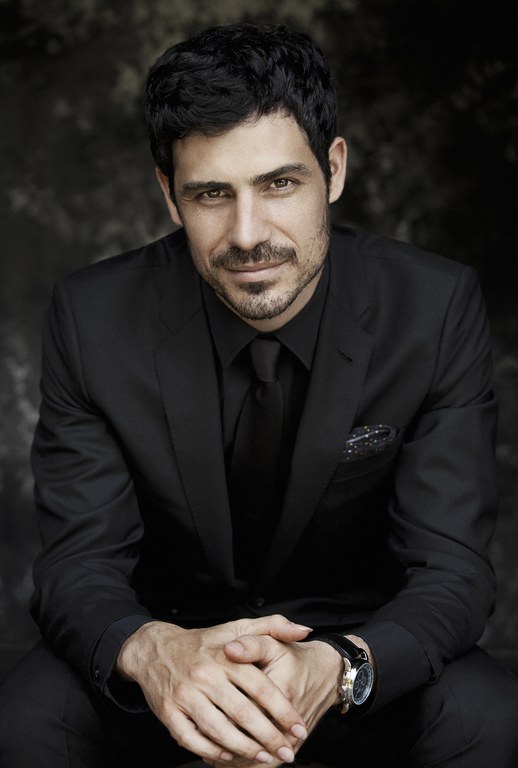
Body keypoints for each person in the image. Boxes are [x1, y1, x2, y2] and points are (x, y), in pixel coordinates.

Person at [1, 21, 517, 768]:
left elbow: (453, 569)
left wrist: (341, 665)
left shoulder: (433, 308)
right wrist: (154, 652)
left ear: (333, 169)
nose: (248, 235)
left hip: (352, 660)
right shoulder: (93, 317)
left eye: (279, 184)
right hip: (173, 654)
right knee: (25, 720)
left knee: (486, 716)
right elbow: (78, 562)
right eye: (212, 193)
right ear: (169, 195)